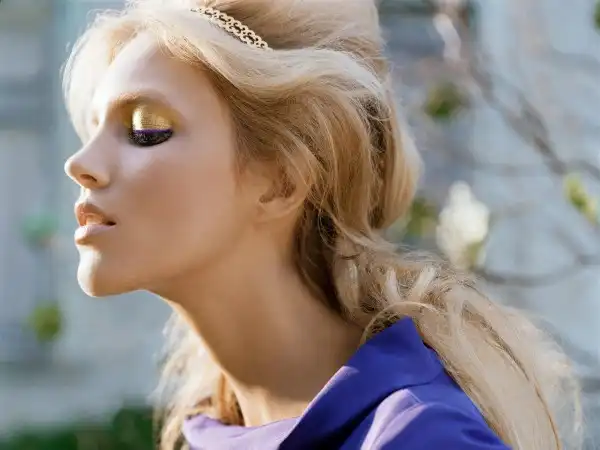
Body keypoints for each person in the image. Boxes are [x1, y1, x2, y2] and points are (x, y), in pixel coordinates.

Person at [62, 1, 581, 449]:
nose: (80, 164)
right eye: (93, 128)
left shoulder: (422, 438)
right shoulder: (214, 431)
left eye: (145, 128)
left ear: (284, 178)